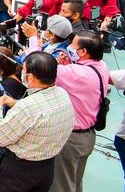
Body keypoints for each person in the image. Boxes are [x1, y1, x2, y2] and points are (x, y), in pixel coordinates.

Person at [0, 52, 75, 192]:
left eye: (23, 70)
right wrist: (14, 103)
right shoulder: (62, 94)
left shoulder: (27, 107)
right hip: (47, 168)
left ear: (29, 77)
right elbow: (40, 111)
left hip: (19, 173)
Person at [46, 31, 111, 192]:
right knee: (75, 182)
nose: (69, 47)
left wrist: (33, 39)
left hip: (70, 140)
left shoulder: (75, 73)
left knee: (61, 186)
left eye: (73, 45)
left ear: (83, 51)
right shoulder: (101, 66)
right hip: (87, 136)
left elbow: (40, 69)